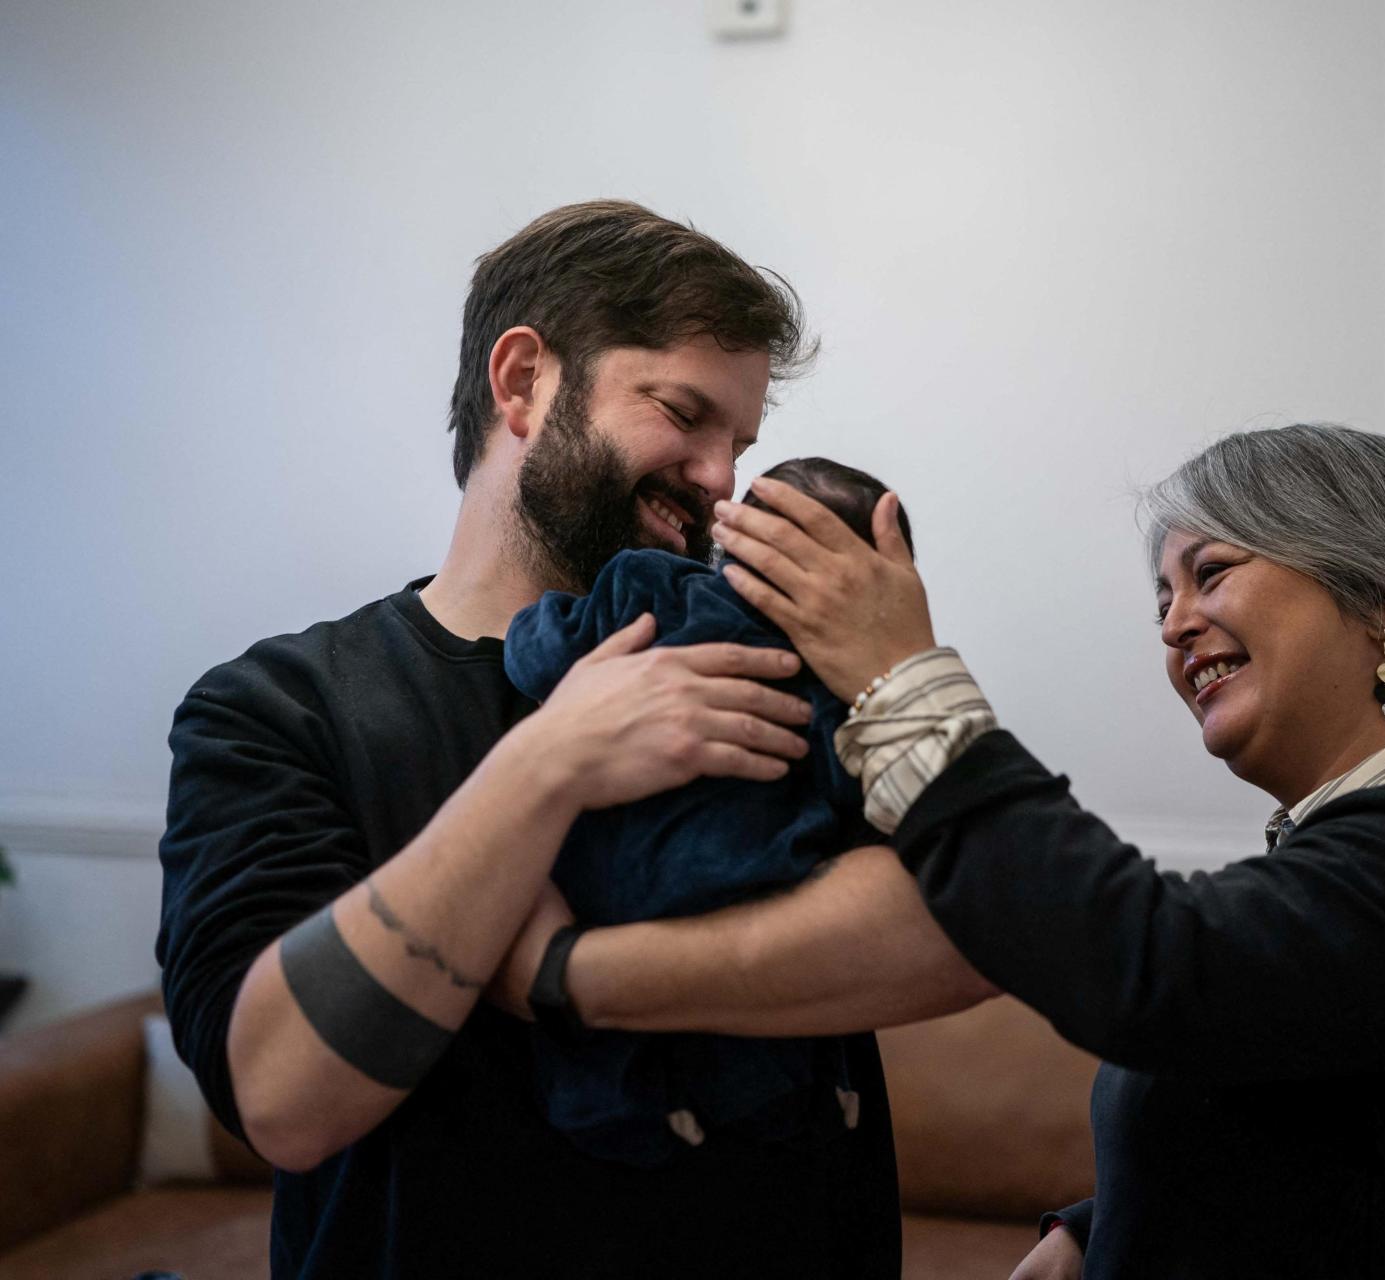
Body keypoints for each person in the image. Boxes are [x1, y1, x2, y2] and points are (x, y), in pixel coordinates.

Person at [534, 424, 1385, 1278]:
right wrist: (1099, 1230)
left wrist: (896, 673)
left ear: (1376, 602)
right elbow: (1331, 1121)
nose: (1172, 623)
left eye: (1210, 571)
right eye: (1161, 595)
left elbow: (1152, 966)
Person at [154, 201, 983, 1278]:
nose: (720, 478)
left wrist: (563, 971)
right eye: (684, 412)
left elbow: (980, 926)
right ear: (522, 382)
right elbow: (283, 1096)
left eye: (738, 442)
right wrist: (549, 761)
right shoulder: (278, 706)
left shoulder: (786, 647)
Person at [503, 458, 914, 1167]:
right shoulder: (834, 678)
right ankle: (807, 1095)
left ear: (733, 535)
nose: (719, 475)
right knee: (760, 1047)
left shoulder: (651, 583)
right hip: (753, 881)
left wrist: (540, 655)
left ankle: (629, 1112)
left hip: (619, 875)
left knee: (598, 1062)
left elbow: (547, 650)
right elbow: (863, 795)